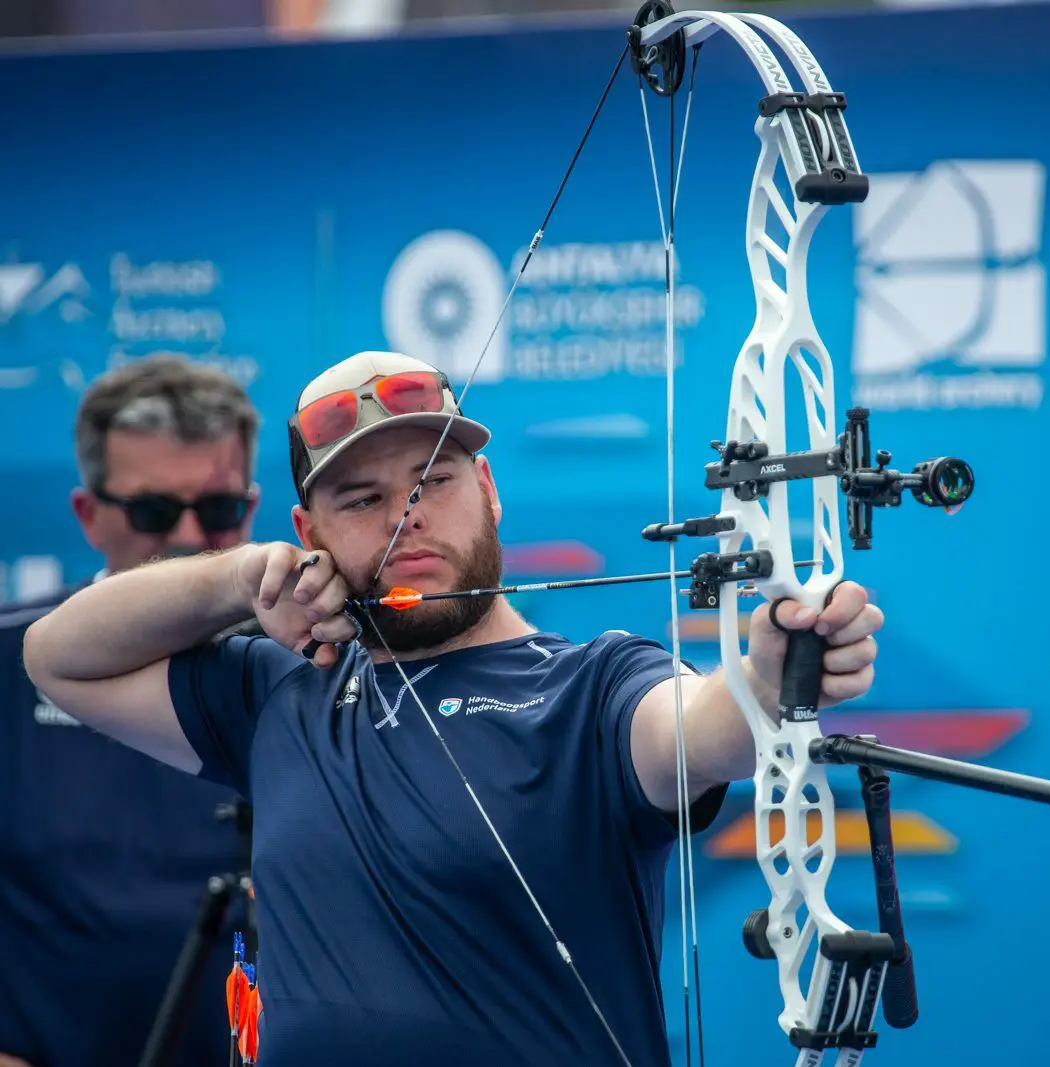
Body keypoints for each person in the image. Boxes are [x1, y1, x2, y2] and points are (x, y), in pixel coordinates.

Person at [22, 350, 884, 1067]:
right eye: (360, 500)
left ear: (489, 488)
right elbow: (56, 656)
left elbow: (700, 726)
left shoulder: (594, 687)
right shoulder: (277, 691)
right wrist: (237, 579)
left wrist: (770, 679)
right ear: (308, 533)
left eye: (433, 478)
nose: (407, 517)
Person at [1, 356, 264, 1067]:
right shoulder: (7, 661)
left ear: (252, 508)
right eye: (152, 510)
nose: (185, 536)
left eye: (215, 510)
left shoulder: (314, 671)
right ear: (89, 515)